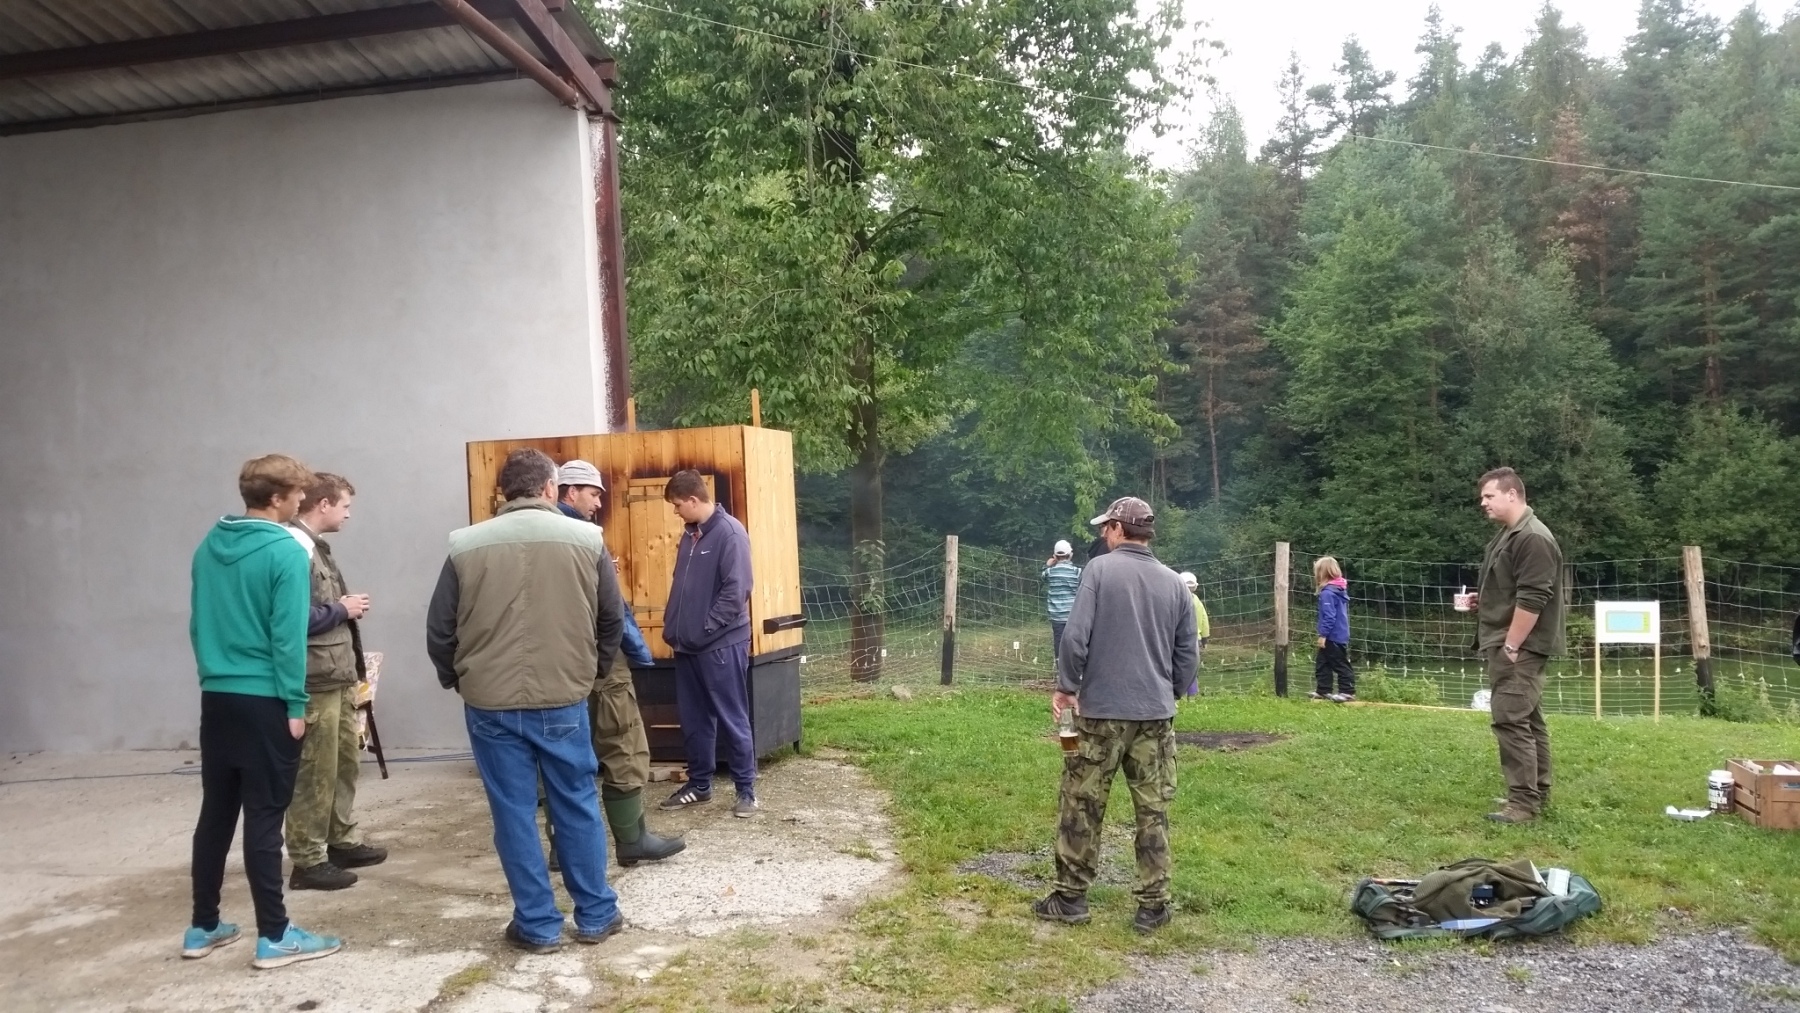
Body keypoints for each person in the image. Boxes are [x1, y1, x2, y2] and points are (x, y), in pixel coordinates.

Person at [426, 448, 626, 952]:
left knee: (513, 812)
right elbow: (611, 618)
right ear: (550, 489)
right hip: (563, 694)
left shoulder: (465, 544)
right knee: (576, 802)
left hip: (489, 702)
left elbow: (440, 629)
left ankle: (537, 925)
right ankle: (596, 914)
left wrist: (459, 679)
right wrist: (593, 672)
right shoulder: (587, 540)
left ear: (504, 491)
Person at [184, 454, 342, 969]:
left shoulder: (209, 545)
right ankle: (275, 935)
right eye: (297, 495)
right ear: (276, 498)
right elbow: (287, 636)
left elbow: (197, 624)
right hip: (266, 699)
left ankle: (203, 925)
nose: (301, 502)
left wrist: (214, 675)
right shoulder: (285, 551)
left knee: (216, 813)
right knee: (265, 816)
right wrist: (295, 703)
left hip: (218, 697)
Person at [1036, 496, 1197, 934]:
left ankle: (1070, 898)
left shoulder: (1098, 571)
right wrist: (1169, 691)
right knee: (1153, 810)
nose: (1102, 534)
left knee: (1082, 802)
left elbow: (1075, 637)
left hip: (1100, 715)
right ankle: (1153, 906)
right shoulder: (1174, 584)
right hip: (1155, 717)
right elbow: (1188, 654)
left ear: (1119, 530)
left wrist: (1067, 687)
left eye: (1106, 527)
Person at [547, 459, 684, 867]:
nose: (598, 503)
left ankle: (561, 850)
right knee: (623, 745)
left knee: (561, 756)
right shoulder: (583, 536)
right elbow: (606, 613)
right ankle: (632, 841)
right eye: (593, 494)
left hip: (552, 666)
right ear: (569, 491)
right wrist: (609, 658)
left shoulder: (535, 536)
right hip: (598, 662)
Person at [285, 473, 387, 891]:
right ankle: (308, 860)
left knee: (343, 762)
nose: (348, 515)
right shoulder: (294, 549)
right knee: (315, 771)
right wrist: (342, 610)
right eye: (344, 506)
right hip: (315, 680)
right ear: (323, 504)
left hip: (336, 676)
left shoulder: (315, 548)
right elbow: (287, 618)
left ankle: (339, 840)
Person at [658, 469, 759, 816]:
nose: (676, 512)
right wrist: (675, 628)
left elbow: (737, 591)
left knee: (732, 717)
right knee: (694, 720)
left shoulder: (730, 533)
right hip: (687, 647)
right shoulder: (690, 536)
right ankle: (699, 785)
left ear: (693, 499)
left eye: (677, 505)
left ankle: (747, 791)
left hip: (720, 646)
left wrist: (704, 629)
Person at [1467, 467, 1564, 825]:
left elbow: (1534, 597)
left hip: (1520, 645)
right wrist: (1484, 600)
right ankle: (1536, 791)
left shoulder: (1532, 537)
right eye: (1482, 497)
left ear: (1512, 494)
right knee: (1528, 718)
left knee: (1510, 719)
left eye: (1489, 496)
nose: (1483, 503)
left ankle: (1522, 804)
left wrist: (1512, 644)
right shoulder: (1509, 534)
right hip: (1509, 638)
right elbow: (1512, 588)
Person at [1312, 556, 1355, 702]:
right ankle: (1323, 690)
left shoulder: (1328, 593)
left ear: (1322, 573)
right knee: (1322, 663)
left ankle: (1347, 691)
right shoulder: (1337, 590)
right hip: (1338, 633)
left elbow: (1329, 617)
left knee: (1339, 663)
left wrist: (1323, 635)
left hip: (1333, 635)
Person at [1042, 541, 1082, 663]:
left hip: (1056, 615)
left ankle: (1060, 664)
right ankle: (1073, 664)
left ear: (1054, 556)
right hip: (1073, 614)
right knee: (1073, 640)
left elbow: (1043, 576)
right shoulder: (1077, 571)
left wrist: (1047, 565)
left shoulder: (1050, 572)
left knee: (1058, 639)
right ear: (1071, 555)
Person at [1177, 572, 1211, 697]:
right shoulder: (1197, 601)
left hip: (1178, 639)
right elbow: (1204, 620)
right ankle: (1192, 694)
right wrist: (1205, 639)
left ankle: (1178, 694)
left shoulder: (1176, 600)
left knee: (1178, 665)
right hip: (1196, 638)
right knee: (1192, 666)